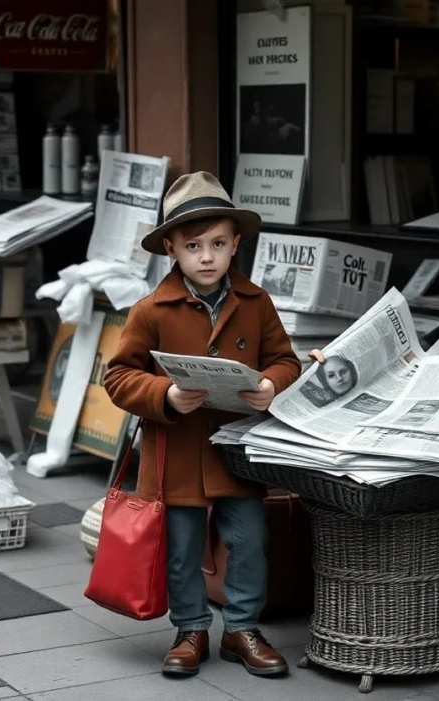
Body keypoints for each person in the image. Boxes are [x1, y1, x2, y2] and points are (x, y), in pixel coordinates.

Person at [104, 171, 301, 678]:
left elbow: (286, 360)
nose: (207, 256)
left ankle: (242, 628)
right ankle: (190, 628)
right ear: (171, 248)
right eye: (194, 246)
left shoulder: (257, 304)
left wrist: (271, 386)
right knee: (181, 547)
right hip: (176, 454)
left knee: (250, 540)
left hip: (236, 452)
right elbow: (118, 377)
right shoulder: (151, 310)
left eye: (218, 244)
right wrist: (165, 394)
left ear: (236, 244)